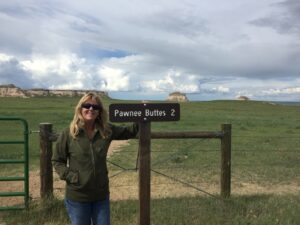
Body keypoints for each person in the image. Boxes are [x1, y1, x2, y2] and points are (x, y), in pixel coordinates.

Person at [52, 92, 139, 225]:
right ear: (80, 108)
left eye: (95, 107)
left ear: (99, 111)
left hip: (101, 195)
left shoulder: (106, 130)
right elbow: (57, 160)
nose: (91, 109)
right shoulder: (69, 133)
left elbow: (130, 131)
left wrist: (143, 114)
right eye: (87, 105)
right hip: (78, 196)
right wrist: (72, 176)